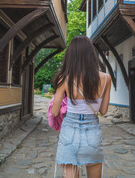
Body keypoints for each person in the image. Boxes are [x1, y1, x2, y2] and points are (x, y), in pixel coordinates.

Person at [51, 35, 111, 178]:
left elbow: (54, 112)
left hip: (69, 133)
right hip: (92, 134)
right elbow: (103, 111)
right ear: (91, 54)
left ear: (71, 55)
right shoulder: (106, 78)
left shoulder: (64, 78)